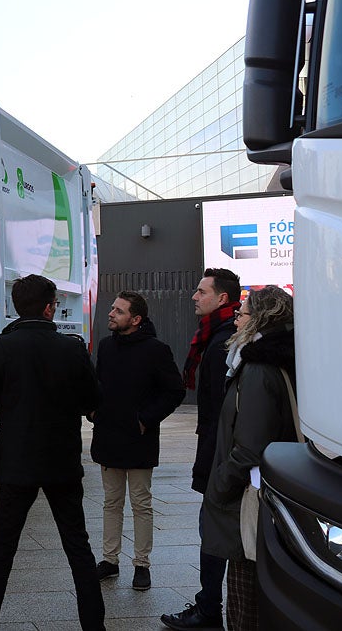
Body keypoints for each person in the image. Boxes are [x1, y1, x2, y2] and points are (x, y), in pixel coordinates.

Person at [0, 274, 105, 631]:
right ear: (50, 308)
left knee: (0, 552)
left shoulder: (2, 348)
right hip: (63, 465)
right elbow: (93, 401)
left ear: (18, 307)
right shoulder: (72, 348)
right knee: (78, 549)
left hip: (19, 466)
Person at [203, 286, 295, 631]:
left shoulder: (257, 368)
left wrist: (219, 484)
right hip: (274, 491)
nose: (236, 319)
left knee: (245, 597)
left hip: (252, 498)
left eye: (241, 313)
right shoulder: (287, 357)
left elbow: (249, 447)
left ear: (258, 319)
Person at [162, 267, 241, 630]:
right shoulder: (216, 336)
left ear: (222, 298)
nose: (194, 296)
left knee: (213, 529)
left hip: (222, 454)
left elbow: (220, 412)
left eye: (201, 291)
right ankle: (210, 605)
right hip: (219, 450)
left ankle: (209, 610)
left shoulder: (223, 341)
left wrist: (212, 461)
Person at [90, 291, 185, 591]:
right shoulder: (106, 346)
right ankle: (109, 560)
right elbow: (97, 384)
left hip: (139, 439)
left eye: (118, 311)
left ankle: (141, 564)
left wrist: (146, 419)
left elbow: (175, 391)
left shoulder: (156, 349)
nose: (111, 314)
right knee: (111, 502)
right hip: (108, 437)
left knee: (141, 503)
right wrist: (93, 410)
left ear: (135, 319)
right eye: (112, 309)